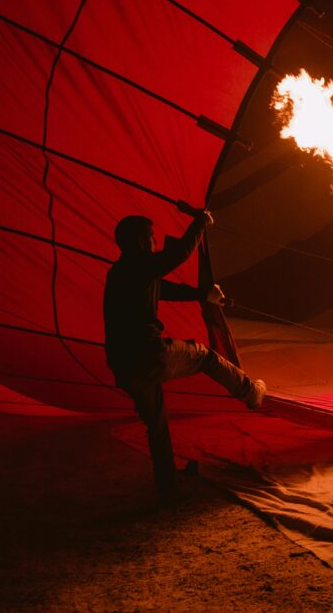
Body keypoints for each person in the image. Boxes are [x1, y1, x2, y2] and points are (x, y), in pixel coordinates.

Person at [104, 208, 266, 506]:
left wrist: (202, 295)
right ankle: (250, 392)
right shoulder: (140, 266)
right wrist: (200, 222)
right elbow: (177, 255)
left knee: (157, 423)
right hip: (150, 357)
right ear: (141, 242)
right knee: (204, 355)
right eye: (151, 237)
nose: (155, 242)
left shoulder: (124, 273)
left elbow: (165, 289)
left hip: (125, 366)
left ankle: (168, 488)